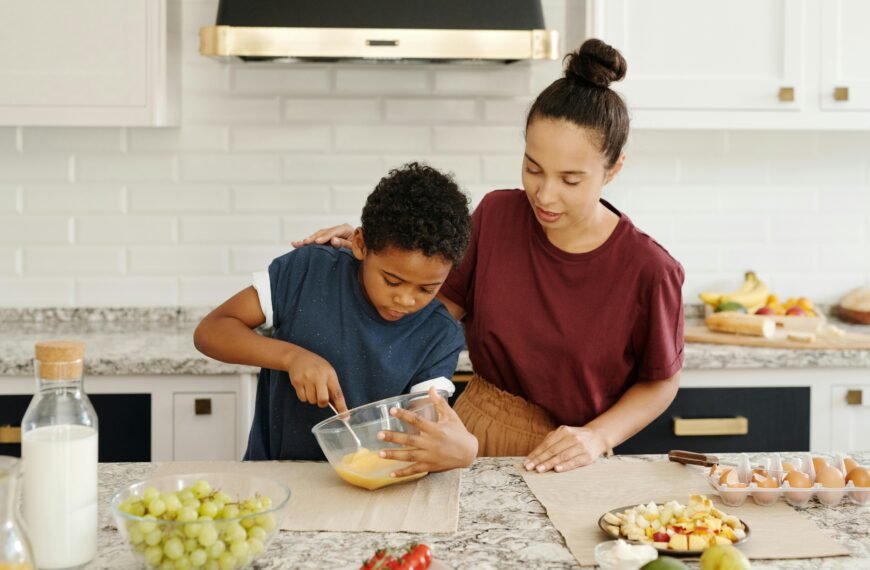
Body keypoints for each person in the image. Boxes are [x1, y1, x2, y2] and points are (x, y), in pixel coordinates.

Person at [292, 39, 684, 474]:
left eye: (570, 179)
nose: (545, 194)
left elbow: (661, 381)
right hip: (474, 432)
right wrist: (375, 252)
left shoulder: (650, 270)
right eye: (533, 168)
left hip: (570, 457)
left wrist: (598, 436)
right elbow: (429, 309)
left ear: (614, 170)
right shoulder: (497, 217)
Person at [194, 162, 477, 475]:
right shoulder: (309, 271)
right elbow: (211, 331)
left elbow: (425, 417)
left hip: (373, 488)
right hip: (276, 475)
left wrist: (453, 445)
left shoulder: (438, 332)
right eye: (392, 281)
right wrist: (291, 357)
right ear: (360, 244)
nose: (406, 300)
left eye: (427, 288)